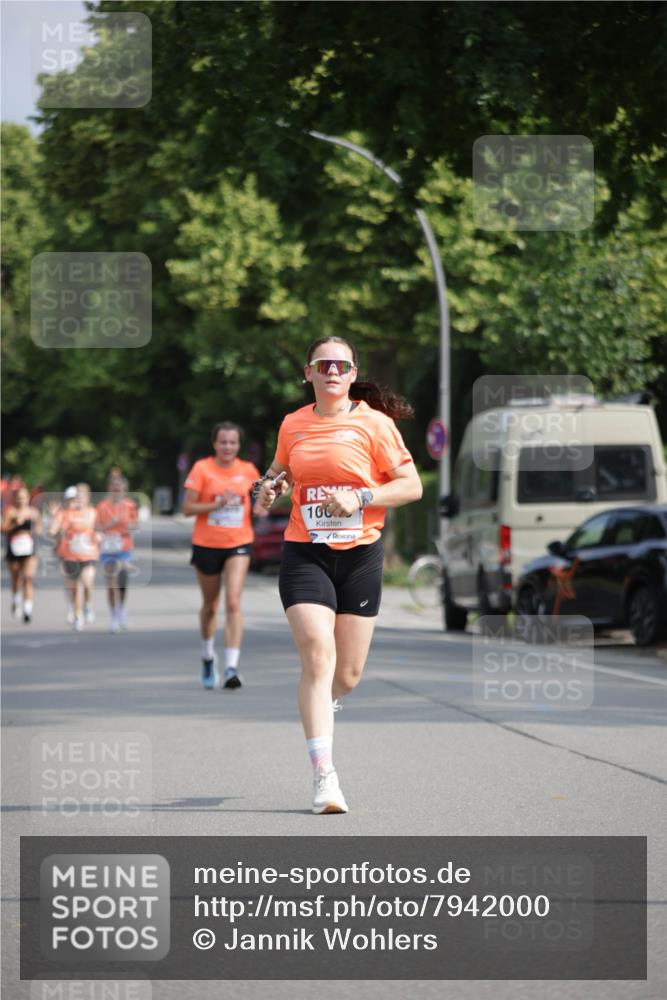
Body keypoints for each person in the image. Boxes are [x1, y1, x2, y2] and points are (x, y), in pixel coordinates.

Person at [254, 337, 422, 814]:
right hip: (305, 550)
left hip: (361, 555)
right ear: (308, 372)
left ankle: (321, 702)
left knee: (345, 676)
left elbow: (410, 486)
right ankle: (325, 776)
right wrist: (266, 490)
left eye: (341, 365)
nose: (332, 370)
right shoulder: (293, 423)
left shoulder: (375, 424)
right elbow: (278, 473)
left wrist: (362, 497)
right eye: (323, 364)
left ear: (352, 374)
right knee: (318, 653)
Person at [183, 423, 262, 689]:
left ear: (239, 445)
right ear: (214, 444)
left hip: (238, 542)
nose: (228, 447)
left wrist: (265, 504)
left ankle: (231, 667)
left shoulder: (248, 470)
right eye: (223, 442)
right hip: (206, 544)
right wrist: (216, 504)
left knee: (233, 602)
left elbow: (260, 503)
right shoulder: (202, 469)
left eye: (233, 443)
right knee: (210, 607)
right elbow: (187, 508)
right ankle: (207, 656)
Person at [50, 484, 99, 630]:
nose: (78, 499)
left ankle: (88, 605)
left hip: (89, 554)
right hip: (70, 556)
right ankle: (78, 615)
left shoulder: (94, 513)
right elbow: (53, 531)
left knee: (88, 582)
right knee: (75, 588)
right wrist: (54, 528)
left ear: (88, 497)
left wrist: (100, 536)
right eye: (76, 496)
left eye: (81, 496)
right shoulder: (65, 513)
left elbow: (102, 529)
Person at [95, 476, 138, 632]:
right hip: (107, 548)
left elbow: (135, 524)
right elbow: (97, 527)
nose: (116, 490)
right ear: (109, 489)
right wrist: (111, 524)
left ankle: (121, 609)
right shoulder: (102, 506)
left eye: (119, 488)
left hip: (124, 548)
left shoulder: (130, 505)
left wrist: (127, 526)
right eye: (114, 487)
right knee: (111, 583)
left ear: (124, 490)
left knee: (122, 584)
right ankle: (114, 616)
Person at [2, 485, 41, 622]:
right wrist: (15, 524)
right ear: (15, 499)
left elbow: (39, 529)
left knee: (28, 578)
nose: (21, 500)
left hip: (29, 548)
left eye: (24, 497)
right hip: (14, 547)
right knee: (16, 579)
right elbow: (3, 529)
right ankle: (15, 600)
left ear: (28, 498)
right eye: (18, 498)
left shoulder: (33, 512)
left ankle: (27, 610)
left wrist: (36, 530)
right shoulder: (11, 512)